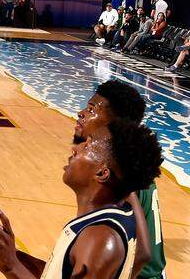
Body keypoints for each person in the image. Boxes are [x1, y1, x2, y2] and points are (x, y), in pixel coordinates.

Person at [0, 117, 162, 279]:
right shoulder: (111, 218)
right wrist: (14, 256)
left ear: (102, 173)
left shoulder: (101, 239)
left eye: (87, 145)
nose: (75, 148)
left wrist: (11, 266)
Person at [73, 81, 166, 279]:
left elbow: (142, 255)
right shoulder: (117, 164)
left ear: (113, 124)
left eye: (91, 110)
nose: (81, 113)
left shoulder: (119, 176)